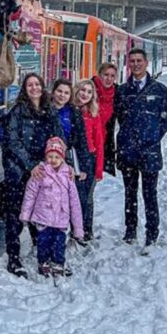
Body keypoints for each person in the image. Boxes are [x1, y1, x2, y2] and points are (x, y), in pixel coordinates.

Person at [2, 73, 63, 277]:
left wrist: (53, 162)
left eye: (37, 84)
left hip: (42, 169)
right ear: (24, 89)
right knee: (17, 214)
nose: (34, 88)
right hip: (19, 170)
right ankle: (13, 257)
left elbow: (57, 137)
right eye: (30, 85)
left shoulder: (50, 110)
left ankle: (40, 247)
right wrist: (30, 165)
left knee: (41, 210)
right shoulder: (17, 111)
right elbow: (13, 142)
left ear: (42, 86)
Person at [114, 48, 167, 248]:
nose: (136, 64)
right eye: (132, 61)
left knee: (150, 193)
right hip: (127, 150)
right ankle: (130, 230)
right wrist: (129, 137)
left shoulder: (161, 91)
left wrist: (152, 137)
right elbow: (119, 118)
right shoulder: (122, 91)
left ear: (146, 63)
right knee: (129, 193)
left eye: (139, 61)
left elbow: (166, 120)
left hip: (150, 151)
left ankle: (152, 232)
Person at [20, 137, 84, 278]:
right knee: (43, 241)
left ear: (62, 158)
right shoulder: (40, 173)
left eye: (57, 157)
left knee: (59, 243)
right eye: (50, 156)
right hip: (43, 216)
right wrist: (25, 215)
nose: (53, 160)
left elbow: (74, 202)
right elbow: (30, 194)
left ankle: (58, 263)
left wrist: (78, 227)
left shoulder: (68, 175)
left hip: (61, 217)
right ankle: (43, 262)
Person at [73, 79, 104, 241]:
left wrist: (99, 168)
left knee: (86, 197)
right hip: (72, 158)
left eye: (89, 92)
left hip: (89, 160)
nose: (85, 94)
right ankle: (75, 228)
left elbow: (99, 142)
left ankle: (86, 229)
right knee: (74, 196)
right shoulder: (70, 110)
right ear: (77, 90)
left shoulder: (93, 114)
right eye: (83, 90)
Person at [93, 62, 118, 176]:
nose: (109, 79)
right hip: (89, 144)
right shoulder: (89, 90)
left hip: (106, 146)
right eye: (106, 74)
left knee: (105, 186)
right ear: (99, 74)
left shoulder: (117, 93)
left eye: (112, 76)